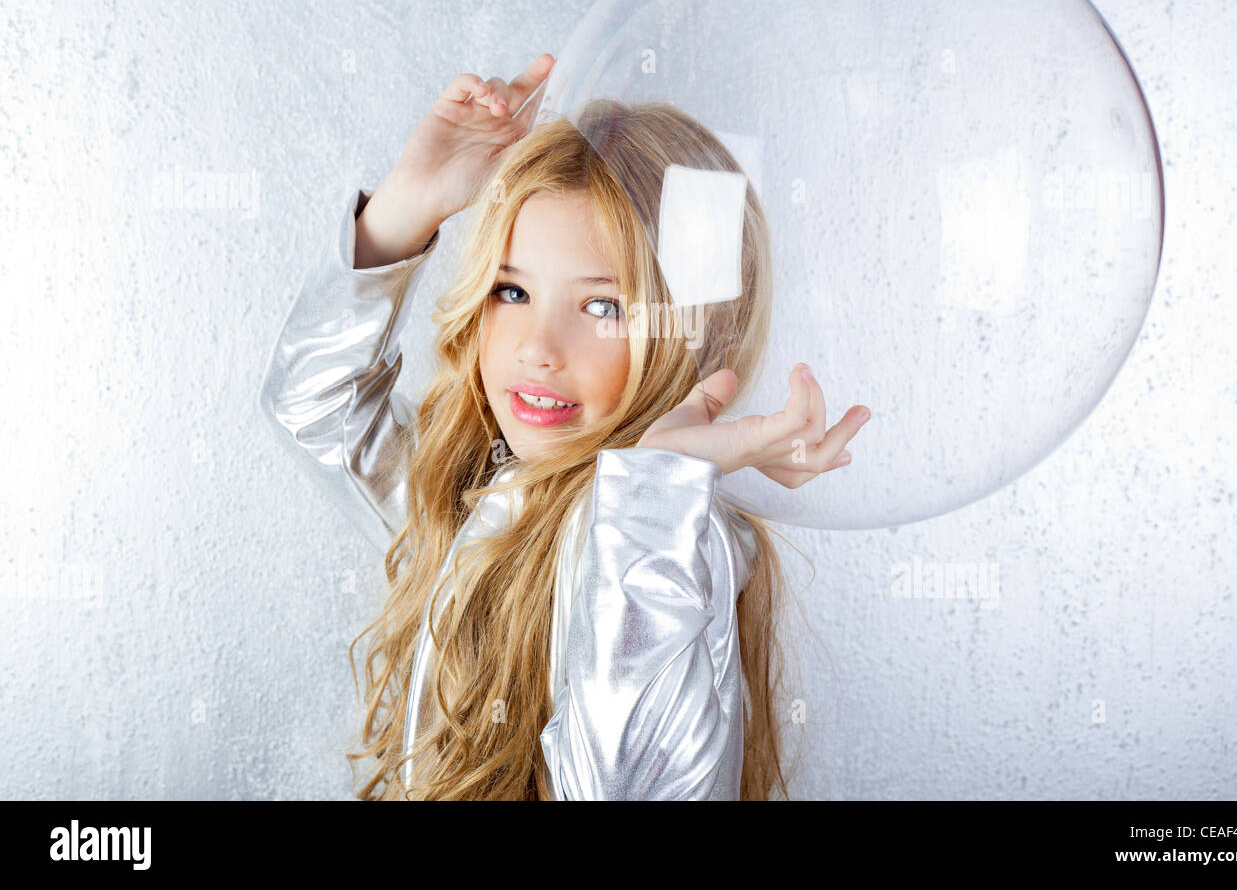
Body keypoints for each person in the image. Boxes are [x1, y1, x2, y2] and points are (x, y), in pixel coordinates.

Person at [258, 53, 870, 800]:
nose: (538, 349)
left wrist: (653, 498)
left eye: (603, 306)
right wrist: (405, 208)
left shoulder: (669, 536)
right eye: (511, 290)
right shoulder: (478, 492)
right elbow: (314, 404)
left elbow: (626, 786)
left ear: (697, 338)